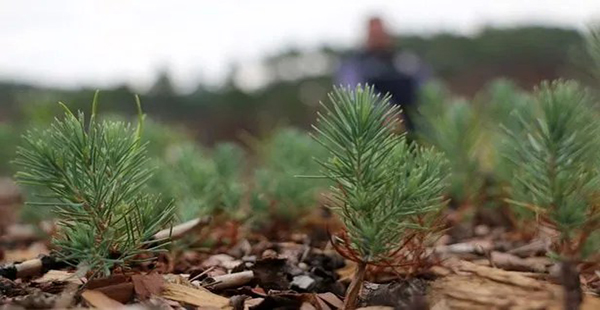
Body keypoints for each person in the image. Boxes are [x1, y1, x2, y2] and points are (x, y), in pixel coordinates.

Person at [336, 17, 429, 133]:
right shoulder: (355, 65)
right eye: (374, 35)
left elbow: (426, 86)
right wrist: (383, 110)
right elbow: (351, 91)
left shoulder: (406, 60)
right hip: (375, 129)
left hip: (414, 126)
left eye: (381, 33)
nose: (379, 38)